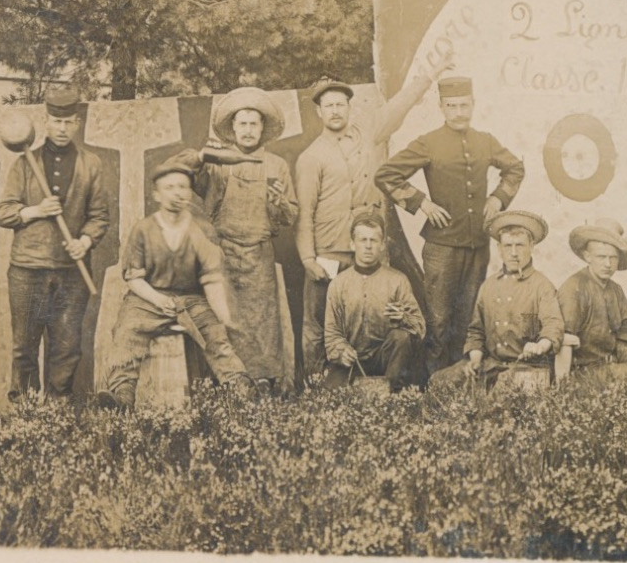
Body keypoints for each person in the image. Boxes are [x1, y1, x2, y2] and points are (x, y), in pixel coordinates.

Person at [294, 60, 447, 377]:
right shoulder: (311, 157)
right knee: (320, 316)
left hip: (369, 248)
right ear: (318, 113)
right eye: (328, 106)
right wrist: (308, 258)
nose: (335, 111)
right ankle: (317, 383)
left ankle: (378, 381)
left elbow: (399, 106)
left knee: (376, 315)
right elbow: (304, 213)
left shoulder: (370, 133)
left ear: (350, 108)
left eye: (340, 104)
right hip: (329, 250)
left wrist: (427, 77)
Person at [376, 76, 526, 376]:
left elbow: (515, 168)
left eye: (464, 105)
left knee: (469, 319)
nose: (459, 112)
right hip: (441, 247)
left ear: (473, 105)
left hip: (477, 245)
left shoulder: (485, 141)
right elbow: (386, 175)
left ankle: (461, 383)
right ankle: (435, 385)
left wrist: (498, 199)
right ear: (442, 108)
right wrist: (421, 203)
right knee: (439, 321)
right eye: (452, 106)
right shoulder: (429, 143)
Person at [98, 154, 254, 410]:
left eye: (182, 187)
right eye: (169, 187)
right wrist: (158, 299)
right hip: (147, 297)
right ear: (157, 194)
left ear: (190, 193)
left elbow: (212, 279)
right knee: (127, 331)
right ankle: (121, 397)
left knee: (216, 336)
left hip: (191, 299)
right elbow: (134, 279)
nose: (177, 193)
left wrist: (224, 317)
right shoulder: (144, 229)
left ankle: (241, 391)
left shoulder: (200, 230)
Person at [0, 84, 112, 402]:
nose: (62, 128)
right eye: (56, 121)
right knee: (24, 347)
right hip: (27, 269)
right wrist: (35, 211)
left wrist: (85, 241)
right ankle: (26, 416)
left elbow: (100, 216)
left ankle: (57, 412)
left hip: (72, 272)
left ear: (77, 123)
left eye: (69, 122)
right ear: (46, 121)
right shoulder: (23, 165)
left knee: (67, 347)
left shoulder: (92, 165)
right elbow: (3, 213)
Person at [191, 87, 299, 393]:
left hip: (258, 252)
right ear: (233, 128)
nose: (248, 130)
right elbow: (195, 185)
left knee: (262, 321)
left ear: (262, 129)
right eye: (243, 124)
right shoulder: (217, 161)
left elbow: (290, 216)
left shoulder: (277, 165)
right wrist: (203, 160)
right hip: (222, 251)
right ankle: (229, 380)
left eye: (254, 124)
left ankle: (264, 380)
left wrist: (277, 203)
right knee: (225, 316)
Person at [429, 211, 563, 391]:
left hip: (529, 367)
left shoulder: (542, 286)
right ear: (499, 248)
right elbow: (476, 331)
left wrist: (540, 345)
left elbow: (553, 325)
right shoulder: (489, 286)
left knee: (501, 394)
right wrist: (475, 360)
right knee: (438, 381)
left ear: (532, 246)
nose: (514, 253)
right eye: (508, 246)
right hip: (491, 364)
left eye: (520, 245)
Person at [321, 209, 427, 391]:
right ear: (352, 244)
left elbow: (420, 327)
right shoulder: (339, 284)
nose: (368, 246)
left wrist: (403, 318)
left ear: (382, 245)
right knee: (333, 396)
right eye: (363, 240)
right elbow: (332, 333)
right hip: (353, 359)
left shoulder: (397, 280)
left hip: (386, 360)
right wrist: (341, 351)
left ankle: (392, 391)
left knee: (401, 337)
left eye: (374, 240)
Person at [556, 221, 627, 380]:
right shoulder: (574, 287)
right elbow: (562, 339)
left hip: (613, 359)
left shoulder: (615, 289)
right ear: (587, 256)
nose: (607, 264)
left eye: (613, 258)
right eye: (601, 257)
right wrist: (562, 385)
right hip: (584, 369)